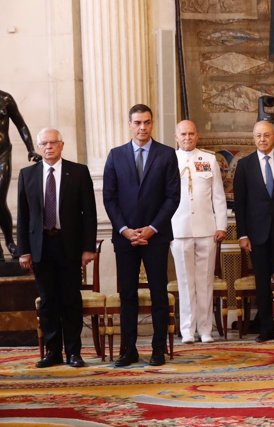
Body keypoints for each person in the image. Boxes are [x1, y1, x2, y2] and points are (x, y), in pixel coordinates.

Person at [103, 104, 180, 367]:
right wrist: (125, 230)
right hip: (125, 238)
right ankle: (129, 350)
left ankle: (158, 349)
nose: (142, 128)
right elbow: (109, 198)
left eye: (147, 122)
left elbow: (172, 197)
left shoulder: (167, 154)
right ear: (130, 124)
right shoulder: (115, 156)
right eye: (137, 123)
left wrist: (152, 228)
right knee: (128, 295)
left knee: (159, 293)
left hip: (155, 237)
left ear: (152, 123)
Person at [17, 128, 97, 368]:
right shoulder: (27, 175)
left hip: (69, 246)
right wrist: (24, 250)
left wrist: (88, 248)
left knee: (71, 299)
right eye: (44, 143)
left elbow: (89, 214)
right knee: (49, 301)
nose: (49, 147)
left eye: (53, 143)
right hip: (41, 246)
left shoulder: (79, 172)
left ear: (62, 145)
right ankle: (53, 352)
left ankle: (74, 352)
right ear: (39, 148)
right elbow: (23, 216)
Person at [233, 120, 274, 342]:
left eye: (266, 135)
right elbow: (239, 203)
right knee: (262, 281)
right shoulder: (244, 165)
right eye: (258, 136)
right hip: (256, 234)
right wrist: (243, 234)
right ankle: (265, 328)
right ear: (253, 138)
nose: (262, 139)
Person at [170, 120, 227, 344]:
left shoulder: (209, 159)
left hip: (206, 229)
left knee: (205, 281)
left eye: (191, 133)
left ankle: (205, 329)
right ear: (176, 137)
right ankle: (187, 330)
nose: (187, 138)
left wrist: (221, 225)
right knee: (185, 282)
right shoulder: (169, 160)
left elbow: (218, 195)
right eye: (183, 134)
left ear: (197, 135)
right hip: (179, 228)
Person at [0, 90, 42, 258]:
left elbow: (21, 124)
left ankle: (9, 241)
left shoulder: (5, 98)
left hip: (2, 154)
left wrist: (31, 149)